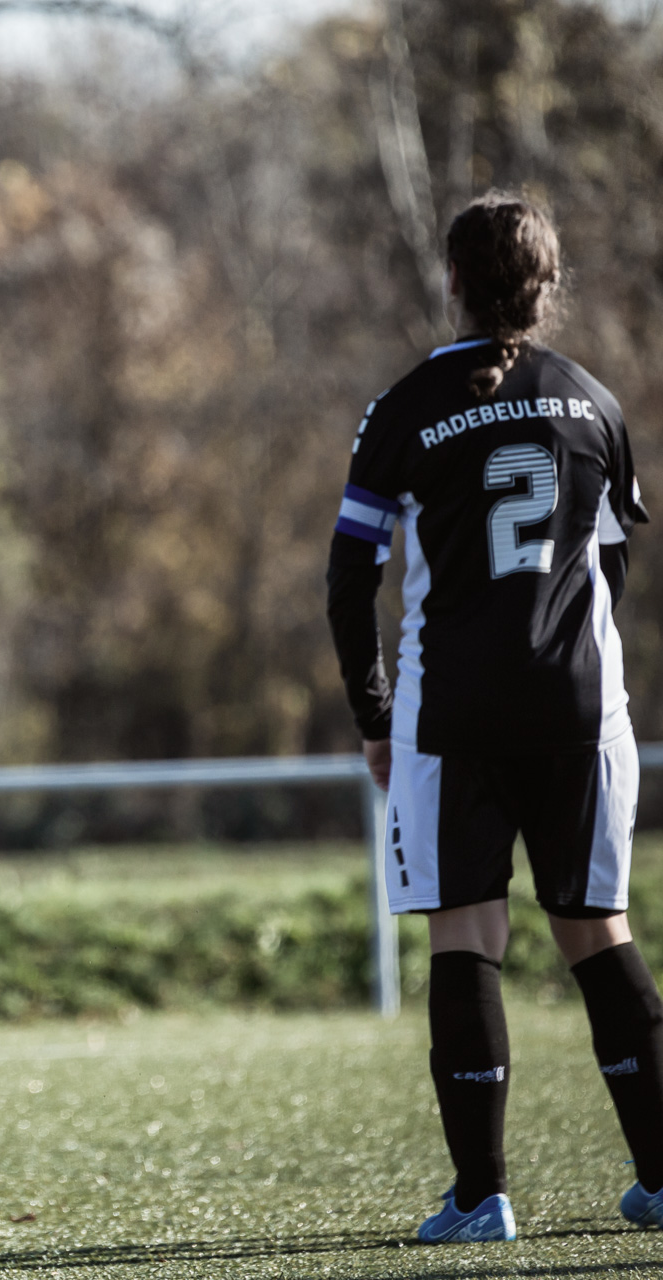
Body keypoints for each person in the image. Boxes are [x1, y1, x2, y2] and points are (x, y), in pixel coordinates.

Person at [327, 191, 661, 1244]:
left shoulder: (405, 408)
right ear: (548, 284)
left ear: (456, 280)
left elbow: (348, 579)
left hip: (453, 711)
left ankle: (481, 1197)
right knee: (596, 927)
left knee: (466, 931)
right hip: (579, 705)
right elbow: (614, 563)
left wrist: (374, 714)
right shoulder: (595, 402)